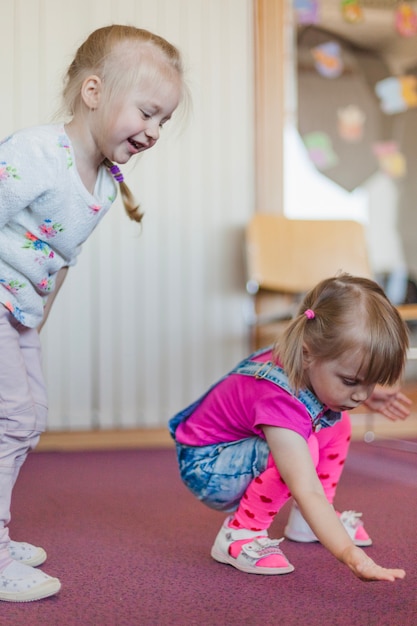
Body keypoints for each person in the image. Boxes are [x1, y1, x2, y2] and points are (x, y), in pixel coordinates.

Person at [0, 24, 186, 602]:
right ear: (94, 91)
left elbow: (60, 261)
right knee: (11, 418)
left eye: (164, 121)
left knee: (31, 419)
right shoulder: (36, 154)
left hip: (20, 313)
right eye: (148, 112)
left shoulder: (105, 185)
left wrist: (34, 325)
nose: (154, 132)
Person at [169, 274, 410, 582]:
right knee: (300, 451)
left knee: (337, 425)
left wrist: (364, 389)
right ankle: (240, 533)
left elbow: (334, 386)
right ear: (309, 353)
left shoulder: (304, 356)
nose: (361, 395)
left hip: (232, 451)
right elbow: (306, 488)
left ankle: (306, 524)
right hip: (208, 467)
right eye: (351, 381)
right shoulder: (281, 401)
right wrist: (351, 555)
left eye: (370, 382)